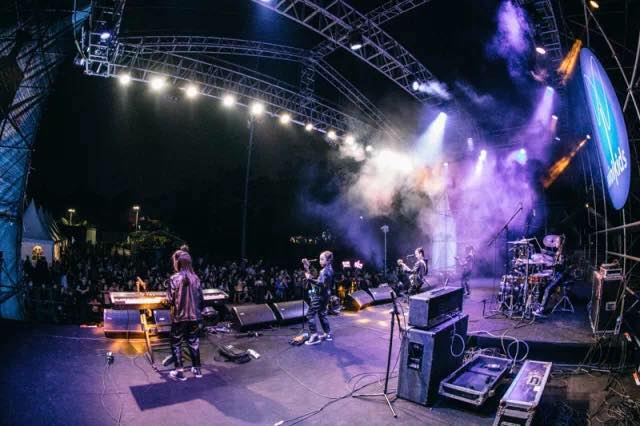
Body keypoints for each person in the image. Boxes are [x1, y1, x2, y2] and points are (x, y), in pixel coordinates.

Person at [166, 250, 204, 381]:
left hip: (180, 317)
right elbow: (201, 299)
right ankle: (197, 370)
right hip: (194, 316)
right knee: (193, 341)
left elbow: (170, 300)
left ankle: (179, 372)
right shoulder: (196, 278)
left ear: (178, 263)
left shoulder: (174, 278)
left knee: (176, 343)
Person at [304, 251, 334, 345]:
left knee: (310, 315)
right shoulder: (330, 269)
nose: (320, 261)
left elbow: (320, 283)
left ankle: (314, 336)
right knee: (322, 313)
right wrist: (307, 267)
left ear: (328, 260)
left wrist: (309, 279)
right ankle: (327, 334)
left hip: (320, 296)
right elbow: (322, 281)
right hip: (326, 295)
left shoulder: (323, 271)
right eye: (320, 259)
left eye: (322, 259)